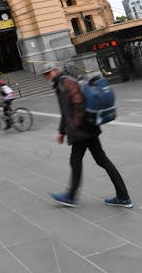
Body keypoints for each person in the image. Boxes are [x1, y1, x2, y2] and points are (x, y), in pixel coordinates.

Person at [41, 64, 132, 208]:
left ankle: (70, 196)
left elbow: (78, 104)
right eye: (44, 74)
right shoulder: (60, 84)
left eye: (47, 73)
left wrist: (75, 125)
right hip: (88, 129)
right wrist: (62, 131)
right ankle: (123, 196)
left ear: (54, 71)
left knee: (76, 161)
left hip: (82, 130)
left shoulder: (66, 82)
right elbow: (65, 111)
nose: (46, 76)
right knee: (102, 160)